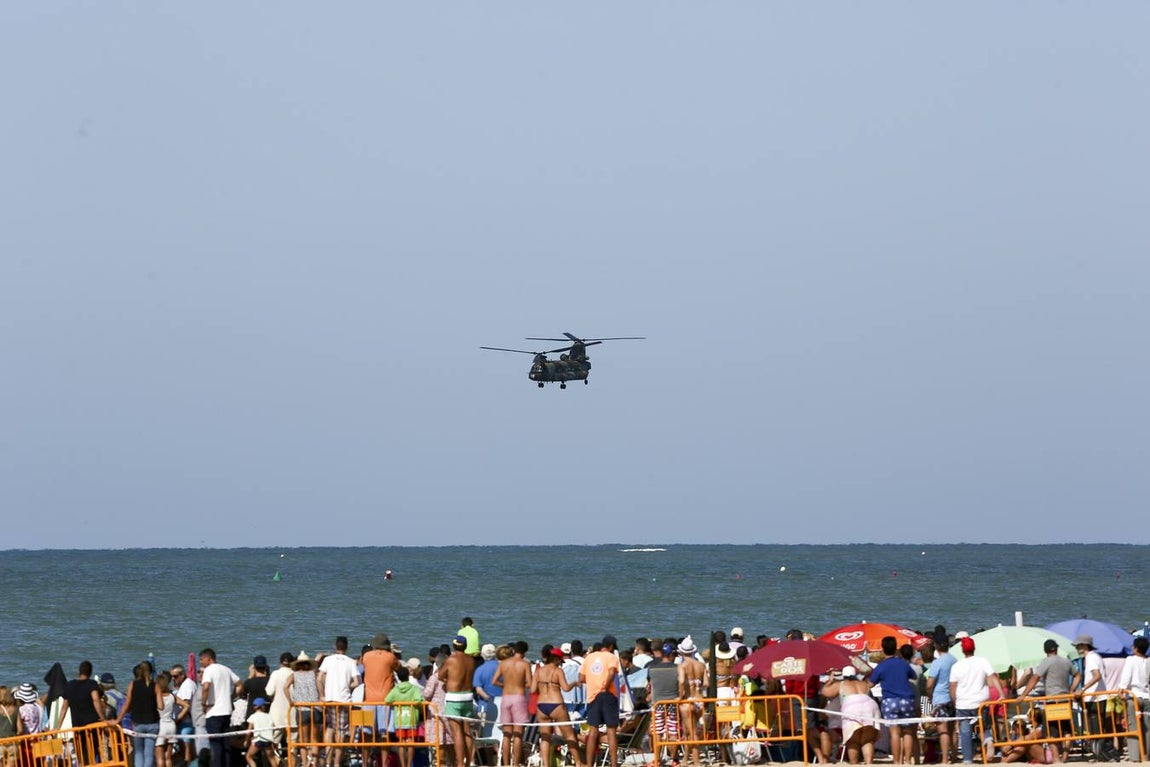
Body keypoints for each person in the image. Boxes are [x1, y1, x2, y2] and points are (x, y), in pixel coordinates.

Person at [949, 636, 1004, 765]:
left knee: (965, 732)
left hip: (963, 703)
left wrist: (954, 701)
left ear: (962, 650)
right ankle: (989, 740)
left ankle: (968, 759)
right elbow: (993, 677)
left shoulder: (957, 665)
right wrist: (1001, 693)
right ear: (974, 648)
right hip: (981, 701)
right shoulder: (982, 661)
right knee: (984, 726)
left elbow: (952, 687)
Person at [532, 647, 585, 767]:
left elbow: (533, 689)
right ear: (556, 659)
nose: (560, 664)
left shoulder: (538, 671)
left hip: (541, 706)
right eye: (560, 660)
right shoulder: (558, 671)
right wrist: (574, 684)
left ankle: (545, 765)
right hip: (556, 704)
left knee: (545, 737)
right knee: (569, 734)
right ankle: (578, 762)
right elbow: (565, 688)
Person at [867, 636, 916, 765]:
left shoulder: (881, 666)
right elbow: (913, 675)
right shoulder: (903, 663)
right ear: (896, 648)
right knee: (907, 731)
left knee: (894, 733)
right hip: (906, 699)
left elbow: (870, 684)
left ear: (883, 649)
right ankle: (908, 761)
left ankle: (896, 761)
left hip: (890, 700)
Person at [821, 666, 880, 765]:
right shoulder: (863, 684)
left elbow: (825, 692)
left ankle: (854, 764)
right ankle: (869, 764)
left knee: (853, 741)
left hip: (852, 708)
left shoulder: (841, 684)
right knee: (867, 740)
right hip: (870, 707)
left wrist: (830, 681)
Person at [318, 636, 361, 767]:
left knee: (330, 728)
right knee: (341, 731)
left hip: (330, 699)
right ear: (347, 648)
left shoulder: (327, 660)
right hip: (343, 700)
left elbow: (319, 679)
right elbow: (357, 682)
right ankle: (336, 762)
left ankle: (327, 760)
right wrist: (348, 686)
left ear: (335, 647)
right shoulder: (351, 662)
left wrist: (322, 695)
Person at [581, 635, 622, 767]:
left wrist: (594, 680)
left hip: (593, 696)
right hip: (607, 694)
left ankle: (589, 763)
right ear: (610, 647)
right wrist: (605, 685)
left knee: (592, 732)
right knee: (611, 731)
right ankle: (614, 764)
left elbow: (581, 677)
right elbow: (611, 672)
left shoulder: (589, 657)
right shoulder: (611, 657)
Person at [59, 660, 110, 765]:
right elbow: (96, 700)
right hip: (92, 726)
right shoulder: (91, 684)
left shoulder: (70, 685)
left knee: (80, 755)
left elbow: (64, 707)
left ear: (79, 671)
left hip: (77, 726)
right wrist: (103, 718)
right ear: (90, 672)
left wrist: (58, 726)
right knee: (92, 753)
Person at [437, 635, 476, 767]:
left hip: (454, 697)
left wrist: (448, 680)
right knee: (467, 731)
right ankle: (469, 761)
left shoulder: (451, 659)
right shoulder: (471, 660)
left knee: (457, 733)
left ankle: (460, 763)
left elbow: (440, 675)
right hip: (468, 696)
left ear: (454, 646)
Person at [493, 641, 532, 767]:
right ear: (525, 652)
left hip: (506, 697)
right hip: (519, 698)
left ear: (514, 650)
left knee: (506, 734)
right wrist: (519, 685)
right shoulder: (525, 664)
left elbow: (494, 681)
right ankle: (515, 764)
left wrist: (505, 684)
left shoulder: (504, 663)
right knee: (518, 734)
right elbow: (530, 684)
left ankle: (505, 763)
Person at [199, 648, 241, 767]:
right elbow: (239, 684)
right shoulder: (226, 669)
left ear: (209, 658)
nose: (201, 662)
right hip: (226, 712)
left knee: (216, 745)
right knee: (226, 744)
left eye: (202, 660)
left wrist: (203, 704)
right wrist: (231, 697)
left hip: (214, 712)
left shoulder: (209, 670)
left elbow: (206, 686)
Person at [646, 643, 682, 765]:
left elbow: (649, 686)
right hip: (673, 703)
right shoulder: (678, 668)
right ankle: (675, 760)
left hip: (657, 704)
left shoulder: (652, 669)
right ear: (671, 654)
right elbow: (681, 685)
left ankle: (656, 759)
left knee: (658, 732)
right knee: (673, 731)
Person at [925, 632, 957, 764]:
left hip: (940, 697)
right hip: (952, 697)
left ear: (936, 646)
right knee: (952, 729)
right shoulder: (954, 660)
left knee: (942, 729)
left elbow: (929, 684)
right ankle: (954, 756)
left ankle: (944, 759)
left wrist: (929, 696)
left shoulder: (938, 662)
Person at [362, 633, 400, 743]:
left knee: (367, 733)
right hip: (385, 699)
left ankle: (365, 760)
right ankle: (383, 761)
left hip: (368, 699)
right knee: (384, 734)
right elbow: (398, 668)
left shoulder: (366, 656)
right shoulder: (390, 657)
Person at [283, 652, 319, 767]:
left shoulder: (294, 675)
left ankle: (304, 763)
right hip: (315, 708)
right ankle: (314, 762)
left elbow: (285, 687)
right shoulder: (314, 674)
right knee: (314, 740)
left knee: (303, 740)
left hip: (302, 709)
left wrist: (291, 701)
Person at [675, 636, 707, 767]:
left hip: (687, 700)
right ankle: (685, 760)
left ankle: (696, 762)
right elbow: (706, 683)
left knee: (691, 732)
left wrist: (680, 695)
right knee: (689, 731)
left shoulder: (682, 666)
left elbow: (682, 681)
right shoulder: (701, 665)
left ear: (681, 652)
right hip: (699, 699)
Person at [385, 667, 424, 767]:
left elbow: (387, 700)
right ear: (408, 676)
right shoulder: (413, 688)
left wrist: (396, 702)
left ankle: (403, 765)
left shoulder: (396, 689)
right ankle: (409, 764)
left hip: (400, 719)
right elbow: (419, 699)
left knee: (401, 743)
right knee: (411, 743)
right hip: (411, 718)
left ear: (398, 677)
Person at [155, 672, 185, 767]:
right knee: (168, 757)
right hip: (171, 725)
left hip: (161, 725)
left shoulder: (156, 697)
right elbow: (186, 705)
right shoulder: (172, 696)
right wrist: (177, 718)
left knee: (160, 757)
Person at [244, 698, 279, 767]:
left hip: (258, 740)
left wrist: (246, 740)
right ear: (263, 706)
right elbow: (274, 727)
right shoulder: (268, 716)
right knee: (272, 758)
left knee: (249, 756)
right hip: (268, 740)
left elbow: (249, 731)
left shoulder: (253, 716)